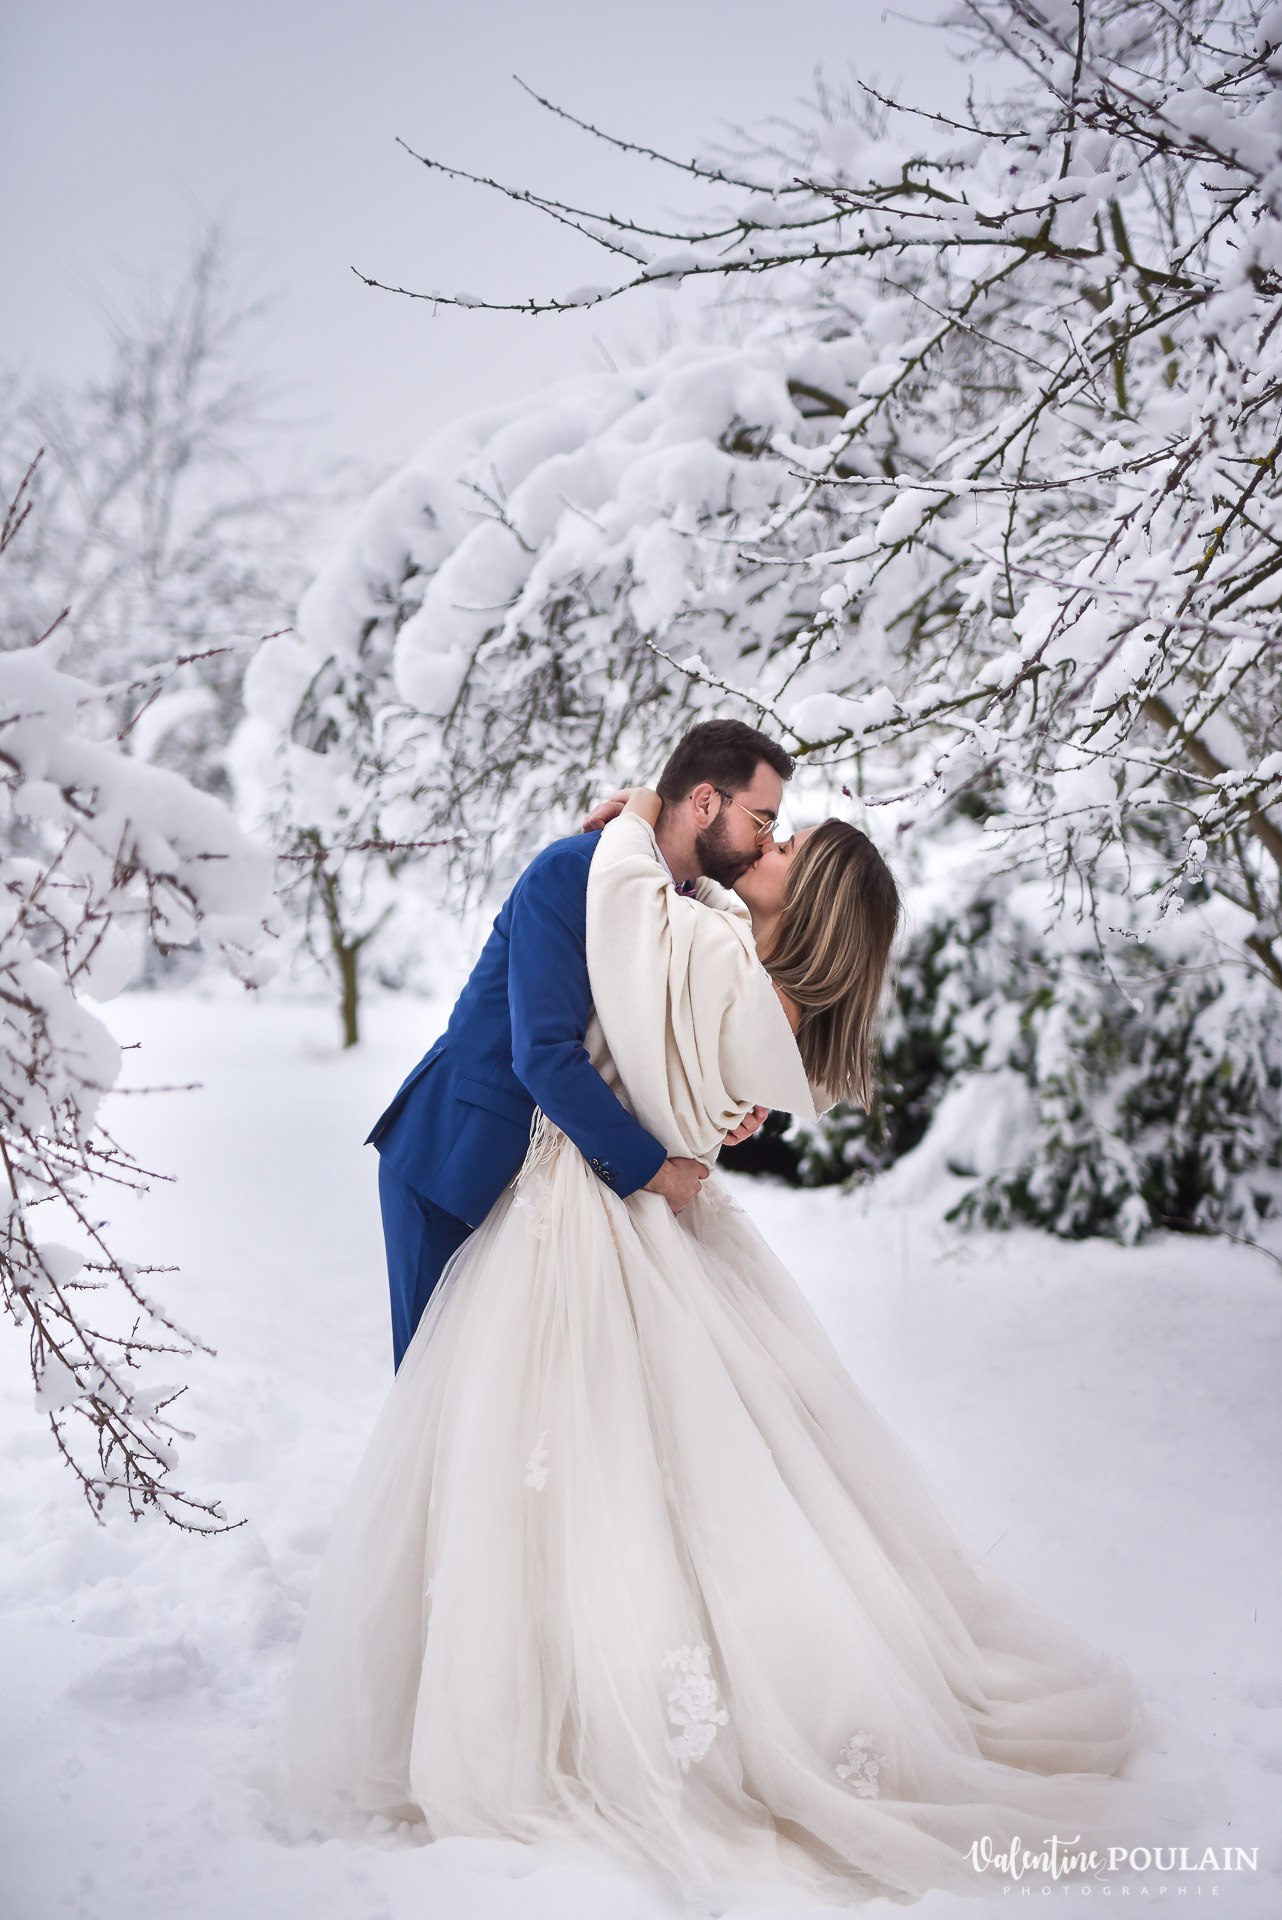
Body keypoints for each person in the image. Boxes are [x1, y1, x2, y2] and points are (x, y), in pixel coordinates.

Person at [281, 782, 1220, 1908]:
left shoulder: (717, 961)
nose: (764, 841)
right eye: (770, 826)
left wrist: (635, 825)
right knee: (626, 1470)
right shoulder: (739, 968)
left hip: (596, 1214)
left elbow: (610, 980)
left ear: (809, 893)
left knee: (569, 1461)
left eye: (784, 842)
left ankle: (541, 1692)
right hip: (613, 1206)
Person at [365, 718, 793, 1365]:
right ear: (705, 802)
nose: (767, 841)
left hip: (557, 1193)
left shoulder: (690, 908)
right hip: (459, 1162)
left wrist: (725, 1103)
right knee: (443, 1407)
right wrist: (653, 1171)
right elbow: (544, 1052)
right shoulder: (571, 872)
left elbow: (654, 1045)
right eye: (762, 820)